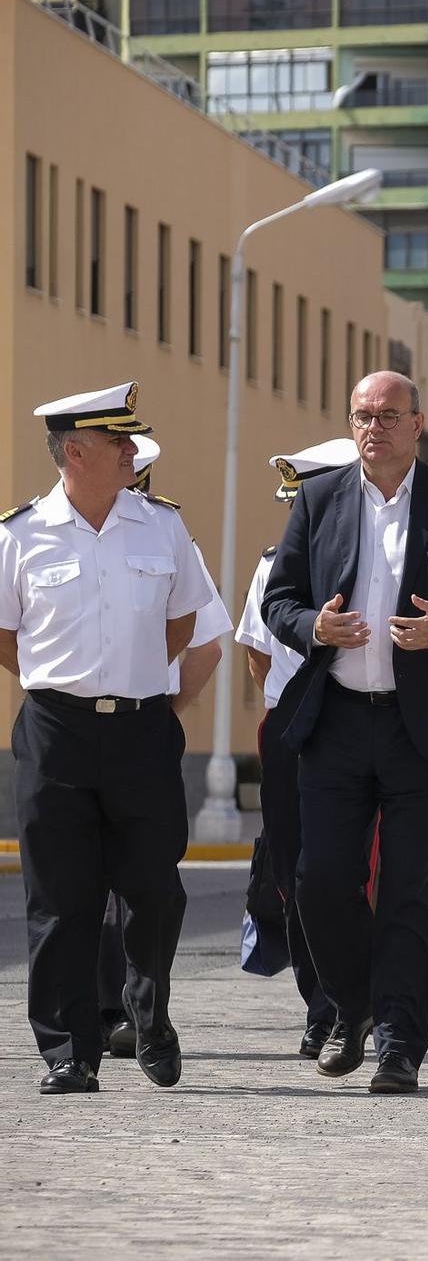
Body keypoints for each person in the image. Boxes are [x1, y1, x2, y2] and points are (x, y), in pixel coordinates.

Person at [262, 371, 428, 1095]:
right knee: (319, 882)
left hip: (421, 730)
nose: (374, 426)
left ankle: (400, 1044)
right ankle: (355, 1004)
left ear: (417, 425)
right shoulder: (320, 500)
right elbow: (279, 600)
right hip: (337, 721)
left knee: (410, 890)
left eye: (388, 415)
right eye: (362, 415)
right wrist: (312, 625)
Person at [1, 382, 210, 1094]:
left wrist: (137, 672)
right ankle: (68, 1051)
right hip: (55, 733)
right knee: (61, 897)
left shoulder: (161, 526)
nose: (132, 450)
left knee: (155, 890)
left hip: (143, 730)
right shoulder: (19, 534)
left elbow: (183, 621)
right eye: (119, 441)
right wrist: (61, 679)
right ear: (76, 452)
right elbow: (5, 636)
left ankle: (150, 1020)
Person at [94, 436, 234, 1061]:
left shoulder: (168, 540)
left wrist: (160, 707)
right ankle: (120, 1011)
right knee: (115, 881)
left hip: (125, 730)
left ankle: (115, 1011)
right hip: (115, 731)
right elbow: (206, 650)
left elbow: (204, 641)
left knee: (119, 882)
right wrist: (166, 705)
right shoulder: (163, 537)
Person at [234, 437, 358, 1058]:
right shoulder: (272, 562)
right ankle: (323, 1006)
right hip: (292, 726)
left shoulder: (380, 557)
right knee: (296, 872)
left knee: (359, 872)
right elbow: (258, 651)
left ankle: (370, 1000)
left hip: (360, 724)